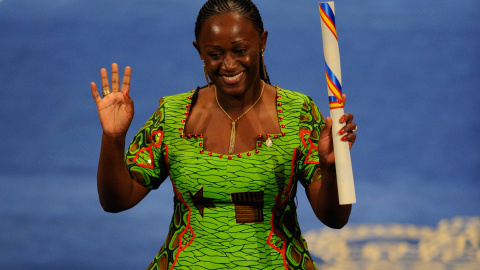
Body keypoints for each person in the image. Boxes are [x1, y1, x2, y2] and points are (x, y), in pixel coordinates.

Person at [90, 0, 357, 269]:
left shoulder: (298, 114)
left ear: (262, 42)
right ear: (199, 51)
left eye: (240, 50)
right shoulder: (170, 115)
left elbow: (335, 219)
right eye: (215, 54)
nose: (229, 65)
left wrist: (331, 167)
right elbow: (116, 201)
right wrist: (113, 138)